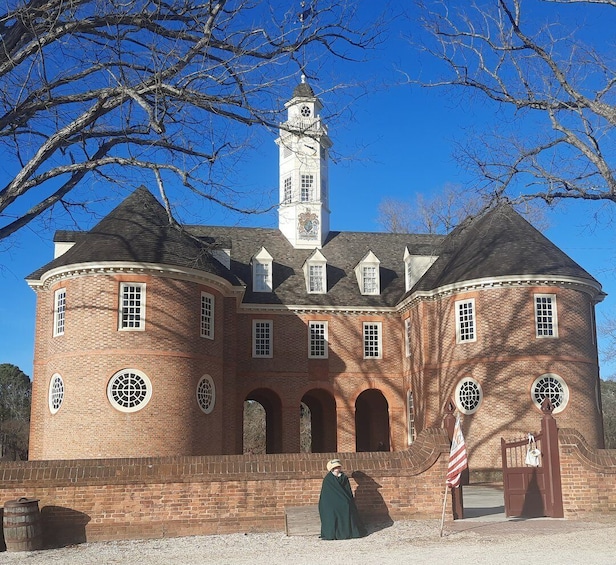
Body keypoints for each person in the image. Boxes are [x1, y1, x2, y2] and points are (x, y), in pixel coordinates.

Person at [318, 458, 366, 540]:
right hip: (331, 502)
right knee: (333, 510)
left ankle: (348, 532)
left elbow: (347, 491)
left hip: (344, 500)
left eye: (338, 467)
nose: (337, 469)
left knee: (347, 506)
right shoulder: (328, 479)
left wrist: (347, 500)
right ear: (332, 468)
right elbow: (327, 494)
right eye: (335, 467)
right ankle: (333, 533)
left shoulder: (344, 477)